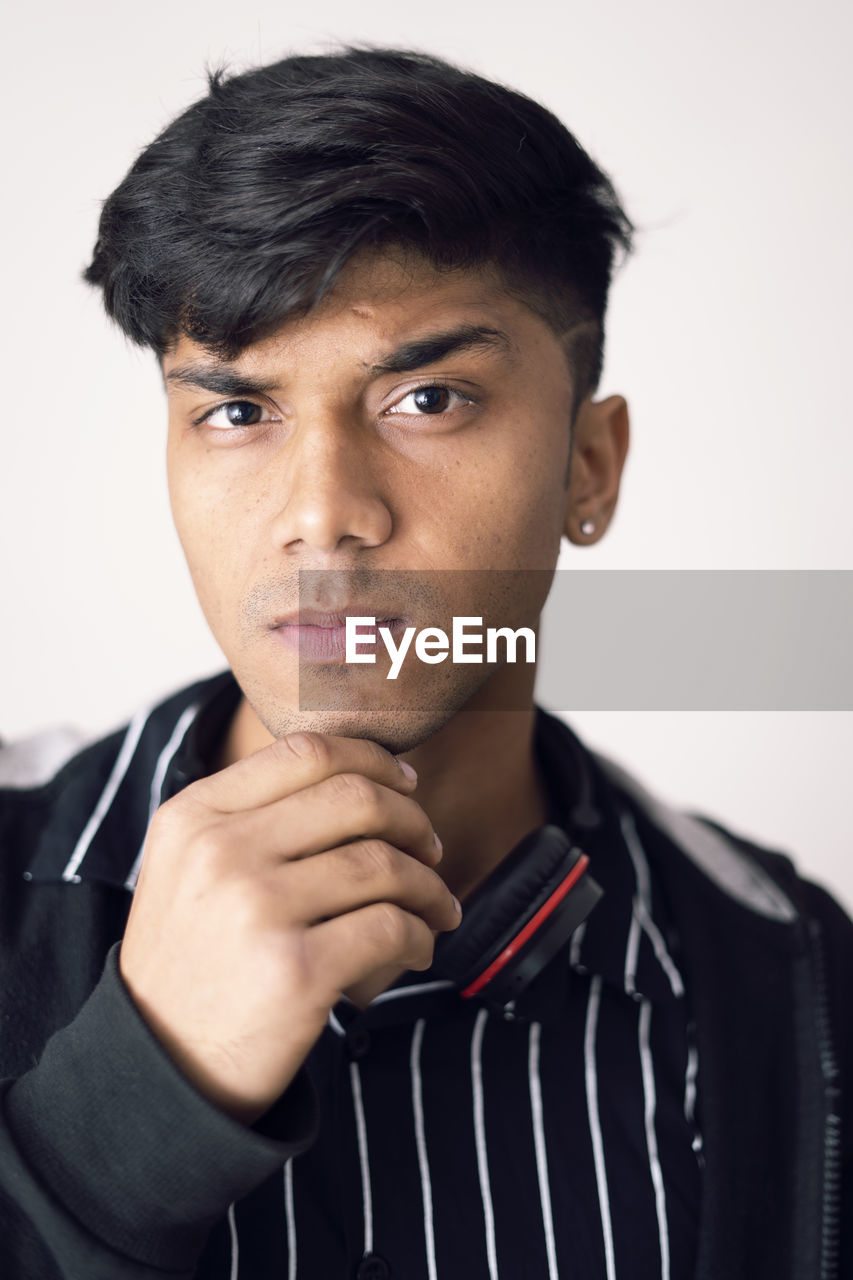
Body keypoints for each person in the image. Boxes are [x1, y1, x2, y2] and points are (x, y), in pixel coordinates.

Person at [0, 46, 849, 1280]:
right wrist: (135, 1101)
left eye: (430, 399)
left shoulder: (794, 972)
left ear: (588, 467)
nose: (323, 511)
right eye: (238, 411)